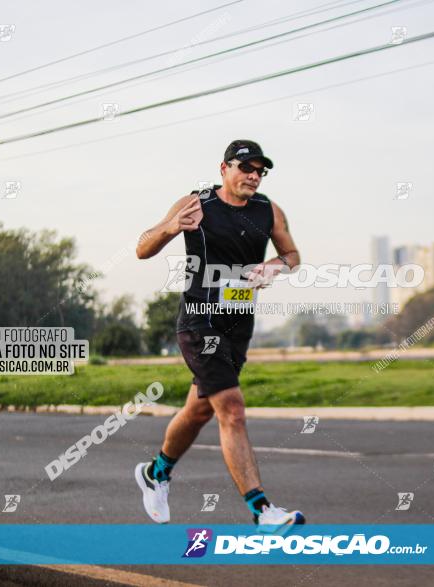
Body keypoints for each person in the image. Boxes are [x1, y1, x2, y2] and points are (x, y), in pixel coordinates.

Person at [134, 140, 304, 532]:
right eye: (246, 168)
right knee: (232, 407)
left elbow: (293, 255)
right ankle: (262, 510)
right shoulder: (196, 203)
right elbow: (143, 248)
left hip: (238, 321)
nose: (254, 176)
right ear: (224, 168)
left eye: (260, 170)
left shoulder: (269, 211)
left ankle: (155, 473)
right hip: (199, 319)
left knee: (200, 409)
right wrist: (171, 227)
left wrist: (273, 267)